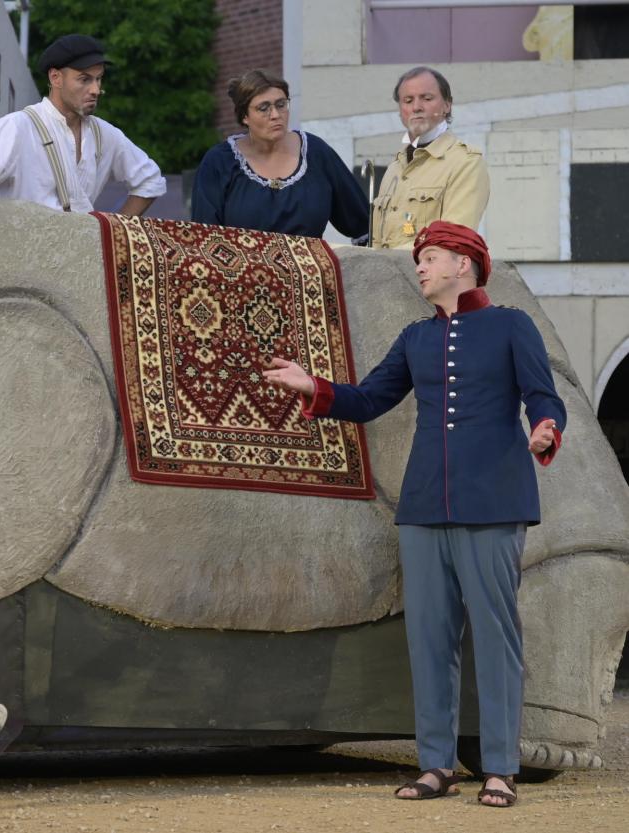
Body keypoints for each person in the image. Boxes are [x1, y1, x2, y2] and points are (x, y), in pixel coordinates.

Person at [262, 221, 565, 809]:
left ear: (463, 264)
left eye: (430, 257)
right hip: (425, 504)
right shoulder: (415, 337)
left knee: (496, 638)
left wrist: (547, 427)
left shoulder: (511, 325)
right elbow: (371, 399)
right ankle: (435, 765)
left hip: (494, 501)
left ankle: (500, 769)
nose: (420, 267)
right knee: (429, 639)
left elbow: (542, 395)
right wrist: (313, 386)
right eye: (419, 258)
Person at [0, 34, 165, 215]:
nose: (96, 90)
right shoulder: (19, 126)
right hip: (23, 251)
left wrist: (114, 231)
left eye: (98, 79)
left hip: (81, 252)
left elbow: (150, 181)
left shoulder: (105, 134)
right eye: (85, 79)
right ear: (55, 78)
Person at [190, 69, 368, 241]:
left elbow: (363, 224)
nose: (275, 115)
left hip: (309, 262)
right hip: (242, 262)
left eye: (281, 105)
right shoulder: (219, 162)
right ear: (245, 116)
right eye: (263, 108)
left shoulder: (316, 152)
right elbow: (204, 239)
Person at [372, 67, 490, 250]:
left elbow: (452, 240)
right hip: (385, 268)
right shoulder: (394, 168)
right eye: (408, 100)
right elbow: (377, 244)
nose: (416, 107)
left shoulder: (466, 162)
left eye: (427, 98)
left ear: (447, 106)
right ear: (400, 110)